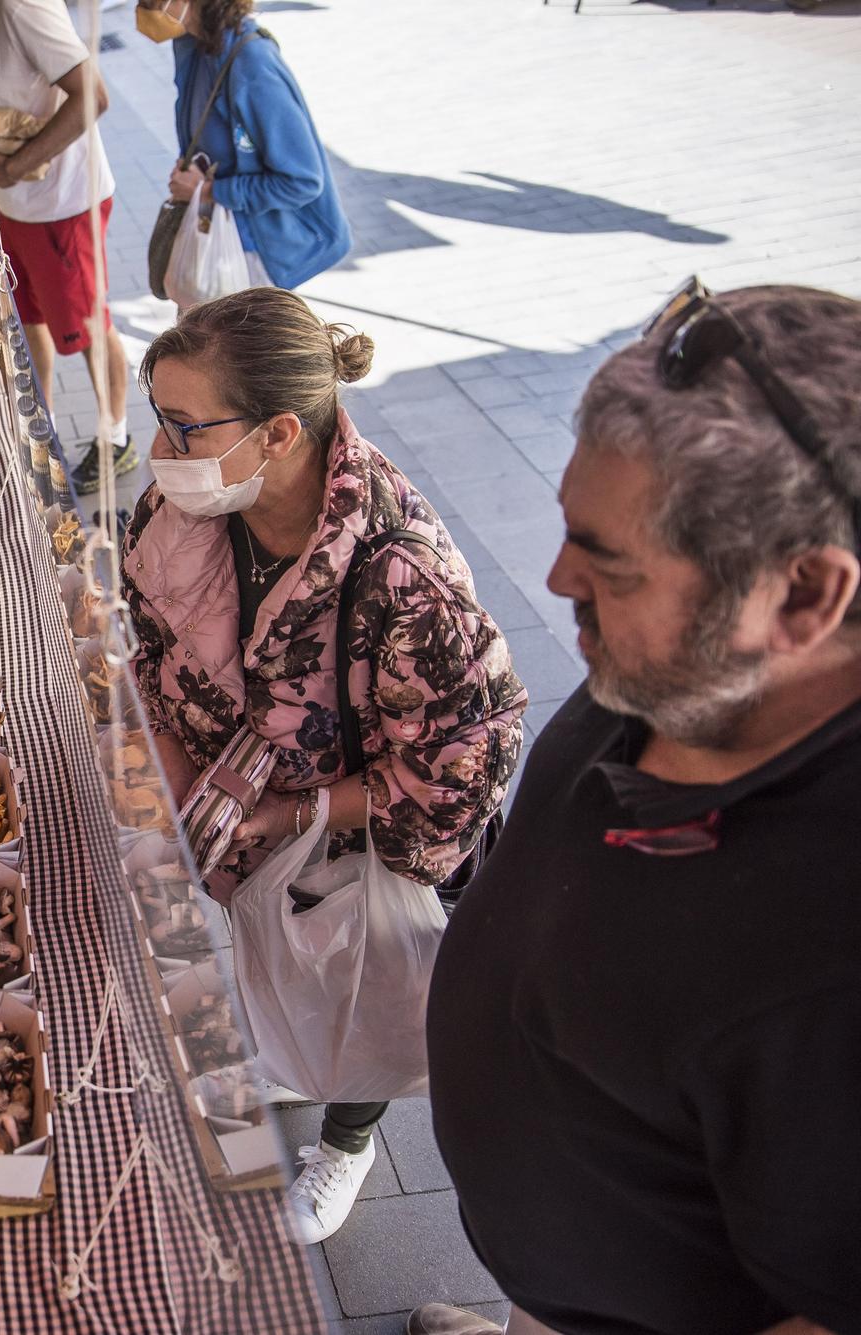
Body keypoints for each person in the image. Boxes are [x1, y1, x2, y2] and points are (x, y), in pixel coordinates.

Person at [418, 283, 861, 1335]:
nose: (554, 576)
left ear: (801, 598)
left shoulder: (830, 964)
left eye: (606, 568)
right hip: (563, 1286)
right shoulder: (693, 667)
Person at [120, 289, 525, 1245]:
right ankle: (299, 1055)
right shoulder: (188, 509)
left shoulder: (402, 577)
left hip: (356, 842)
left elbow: (456, 764)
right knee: (283, 956)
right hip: (248, 814)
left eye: (184, 426)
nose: (161, 452)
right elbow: (155, 650)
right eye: (158, 420)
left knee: (365, 990)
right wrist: (177, 773)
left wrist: (297, 814)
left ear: (278, 433)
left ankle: (349, 1136)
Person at [0, 0, 130, 488]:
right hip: (14, 203)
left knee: (86, 326)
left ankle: (115, 438)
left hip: (63, 203)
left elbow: (93, 97)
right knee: (29, 317)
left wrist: (14, 169)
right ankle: (46, 430)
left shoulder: (24, 5)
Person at [136, 0, 350, 293]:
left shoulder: (252, 63)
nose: (142, 8)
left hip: (254, 257)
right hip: (222, 245)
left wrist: (210, 191)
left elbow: (302, 181)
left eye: (148, 0)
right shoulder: (195, 47)